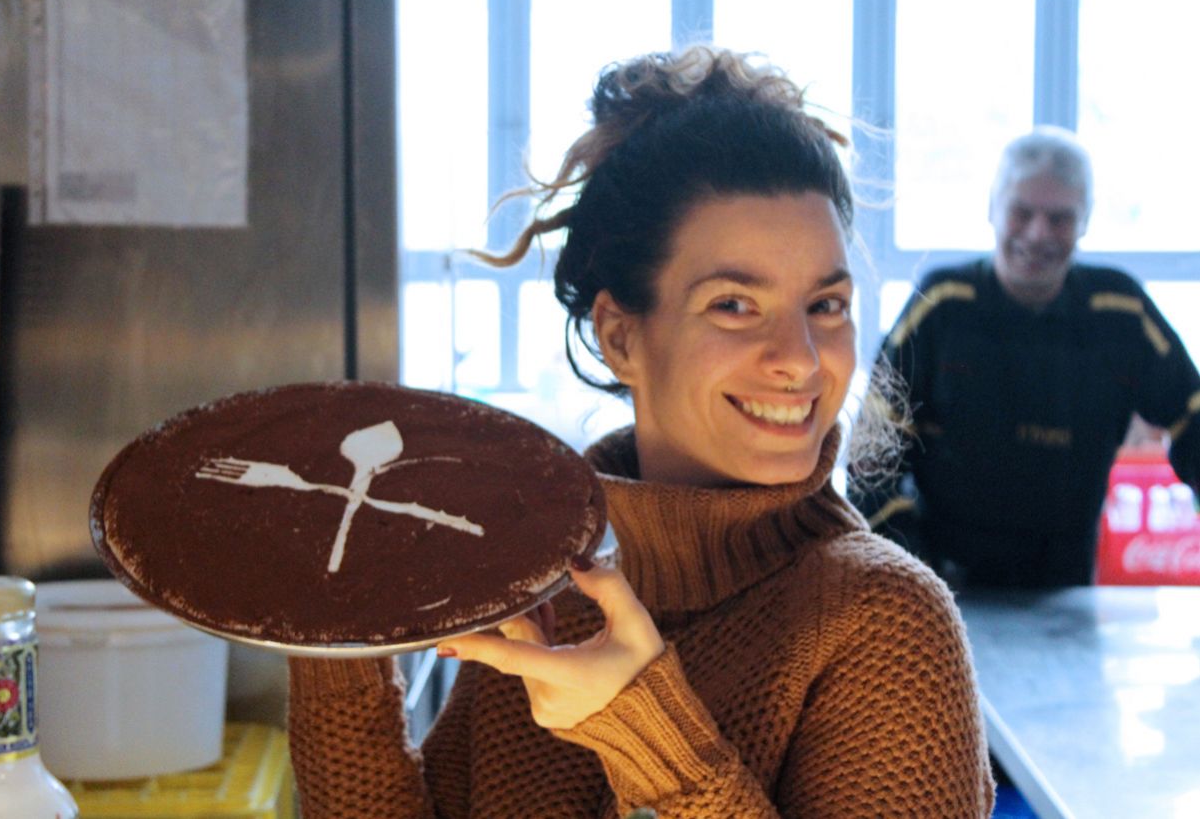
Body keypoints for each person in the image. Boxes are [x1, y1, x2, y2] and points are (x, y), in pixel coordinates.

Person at [288, 46, 994, 817]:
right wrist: (331, 635)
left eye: (825, 305)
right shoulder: (547, 592)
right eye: (734, 305)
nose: (798, 358)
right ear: (620, 337)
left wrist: (646, 736)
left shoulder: (882, 622)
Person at [851, 126, 1200, 588]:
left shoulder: (1121, 312)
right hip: (940, 580)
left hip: (1067, 588)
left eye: (1060, 218)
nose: (1038, 235)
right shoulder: (941, 305)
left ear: (1085, 221)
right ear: (991, 209)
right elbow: (869, 453)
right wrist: (911, 573)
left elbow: (1193, 416)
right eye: (1022, 212)